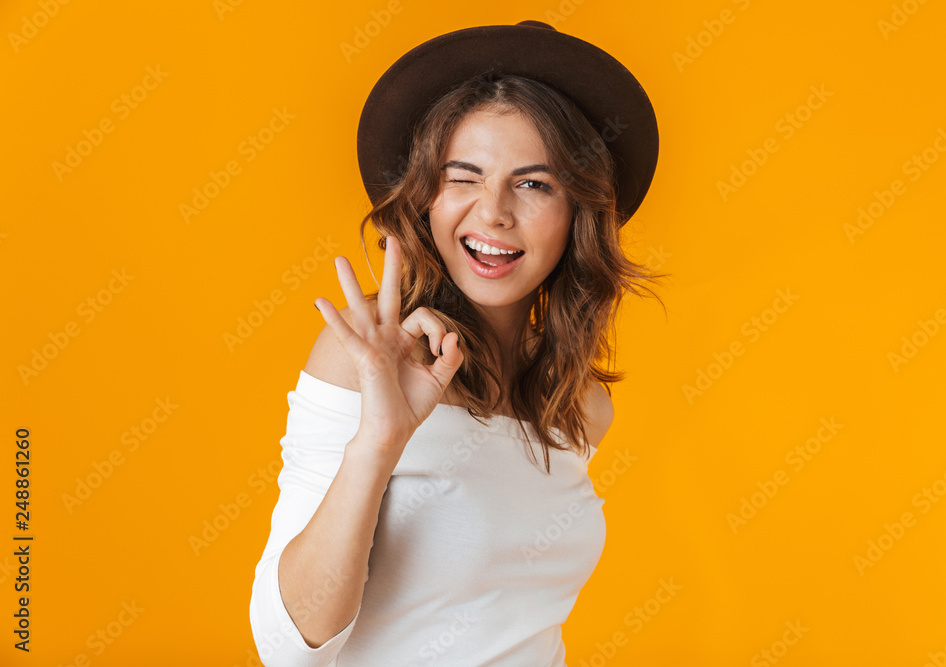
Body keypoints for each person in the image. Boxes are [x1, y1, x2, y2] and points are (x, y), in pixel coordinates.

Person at [249, 19, 667, 666]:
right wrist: (380, 441)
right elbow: (288, 646)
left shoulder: (580, 405)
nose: (493, 211)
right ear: (426, 200)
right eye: (462, 176)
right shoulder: (365, 362)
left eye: (534, 183)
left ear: (578, 214)